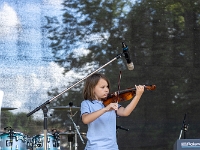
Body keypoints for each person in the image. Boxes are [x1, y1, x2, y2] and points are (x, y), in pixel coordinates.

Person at [80, 73, 144, 150]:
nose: (106, 89)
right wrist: (105, 109)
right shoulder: (87, 103)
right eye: (102, 87)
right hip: (95, 147)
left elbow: (125, 112)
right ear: (92, 89)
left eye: (107, 87)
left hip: (112, 147)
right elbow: (85, 119)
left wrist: (137, 96)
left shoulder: (111, 102)